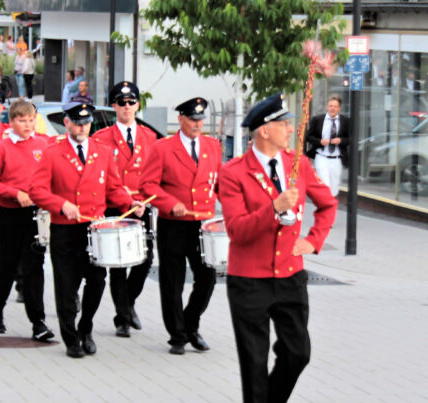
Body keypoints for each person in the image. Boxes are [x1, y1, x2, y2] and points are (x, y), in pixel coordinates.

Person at [219, 93, 337, 403]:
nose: (290, 130)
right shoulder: (233, 173)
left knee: (298, 353)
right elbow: (236, 230)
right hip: (249, 281)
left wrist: (313, 241)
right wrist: (273, 207)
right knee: (254, 364)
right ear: (264, 130)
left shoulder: (298, 165)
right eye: (284, 124)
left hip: (290, 277)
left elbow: (328, 205)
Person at [29, 102, 143, 358]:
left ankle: (86, 327)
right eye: (77, 123)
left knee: (96, 281)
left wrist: (129, 202)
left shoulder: (102, 152)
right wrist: (61, 204)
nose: (82, 127)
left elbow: (113, 188)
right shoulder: (52, 153)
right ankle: (70, 337)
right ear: (67, 123)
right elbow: (37, 190)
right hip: (65, 230)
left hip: (94, 229)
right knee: (67, 287)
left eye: (86, 123)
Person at [141, 97, 221, 355]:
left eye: (200, 119)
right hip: (173, 224)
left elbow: (220, 183)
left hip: (202, 223)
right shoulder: (163, 148)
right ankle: (177, 335)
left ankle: (191, 324)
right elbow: (148, 185)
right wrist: (169, 202)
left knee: (207, 278)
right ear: (181, 120)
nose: (198, 124)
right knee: (172, 281)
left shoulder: (213, 146)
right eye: (193, 120)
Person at [0, 100, 55, 341]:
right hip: (10, 213)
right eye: (22, 120)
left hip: (36, 214)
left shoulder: (43, 144)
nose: (28, 125)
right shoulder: (2, 148)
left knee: (34, 267)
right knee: (6, 266)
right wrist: (15, 193)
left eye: (31, 119)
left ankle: (38, 322)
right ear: (12, 121)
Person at [93, 81, 156, 338]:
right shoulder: (102, 138)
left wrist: (144, 199)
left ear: (138, 105)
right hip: (114, 206)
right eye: (122, 103)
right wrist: (123, 196)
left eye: (131, 103)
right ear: (113, 106)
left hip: (142, 206)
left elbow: (154, 174)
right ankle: (123, 319)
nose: (127, 107)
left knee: (145, 260)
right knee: (118, 264)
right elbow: (98, 175)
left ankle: (127, 305)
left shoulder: (149, 137)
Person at [305, 95, 349, 196]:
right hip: (322, 157)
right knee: (325, 185)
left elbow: (351, 139)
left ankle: (330, 206)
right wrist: (320, 141)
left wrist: (340, 140)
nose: (332, 108)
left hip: (337, 158)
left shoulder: (345, 121)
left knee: (334, 188)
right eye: (330, 106)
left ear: (339, 108)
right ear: (327, 107)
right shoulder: (318, 120)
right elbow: (308, 137)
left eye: (335, 106)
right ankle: (325, 206)